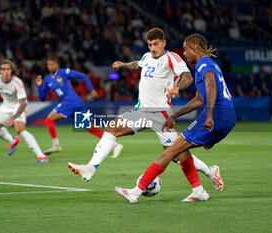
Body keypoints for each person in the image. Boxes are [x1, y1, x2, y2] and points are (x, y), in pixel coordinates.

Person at [67, 28, 223, 192]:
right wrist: (123, 64)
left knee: (177, 155)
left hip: (161, 114)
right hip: (141, 110)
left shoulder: (172, 58)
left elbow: (187, 76)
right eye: (150, 45)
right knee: (112, 127)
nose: (153, 48)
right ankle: (91, 167)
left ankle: (209, 172)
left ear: (163, 43)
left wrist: (177, 87)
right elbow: (138, 64)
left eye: (156, 44)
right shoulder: (147, 57)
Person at [115, 33, 236, 203]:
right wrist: (175, 115)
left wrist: (209, 115)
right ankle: (198, 190)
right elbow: (198, 100)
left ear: (195, 47)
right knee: (179, 150)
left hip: (216, 115)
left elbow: (211, 84)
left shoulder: (203, 64)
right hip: (228, 117)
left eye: (186, 50)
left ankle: (136, 191)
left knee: (171, 150)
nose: (185, 54)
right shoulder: (212, 64)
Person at [35, 57, 123, 157]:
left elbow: (83, 76)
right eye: (49, 64)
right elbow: (43, 98)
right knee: (89, 128)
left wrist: (92, 90)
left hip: (70, 101)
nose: (51, 66)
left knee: (48, 120)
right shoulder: (47, 80)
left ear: (57, 65)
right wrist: (39, 85)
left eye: (53, 64)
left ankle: (56, 145)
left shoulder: (63, 72)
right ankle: (115, 145)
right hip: (73, 102)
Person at [0, 59, 48, 163]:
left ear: (11, 71)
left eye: (8, 69)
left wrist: (13, 118)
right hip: (6, 105)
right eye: (3, 69)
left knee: (20, 129)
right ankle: (12, 140)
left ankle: (41, 156)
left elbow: (23, 103)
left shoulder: (17, 82)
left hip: (19, 105)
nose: (6, 71)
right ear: (0, 71)